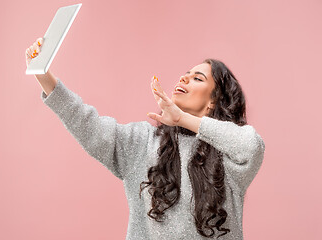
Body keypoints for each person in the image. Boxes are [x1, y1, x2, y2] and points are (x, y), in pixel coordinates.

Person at [25, 37, 265, 240]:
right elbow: (86, 123)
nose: (183, 79)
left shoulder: (229, 156)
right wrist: (43, 74)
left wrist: (181, 118)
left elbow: (251, 146)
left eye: (197, 78)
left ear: (213, 101)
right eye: (185, 74)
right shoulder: (142, 141)